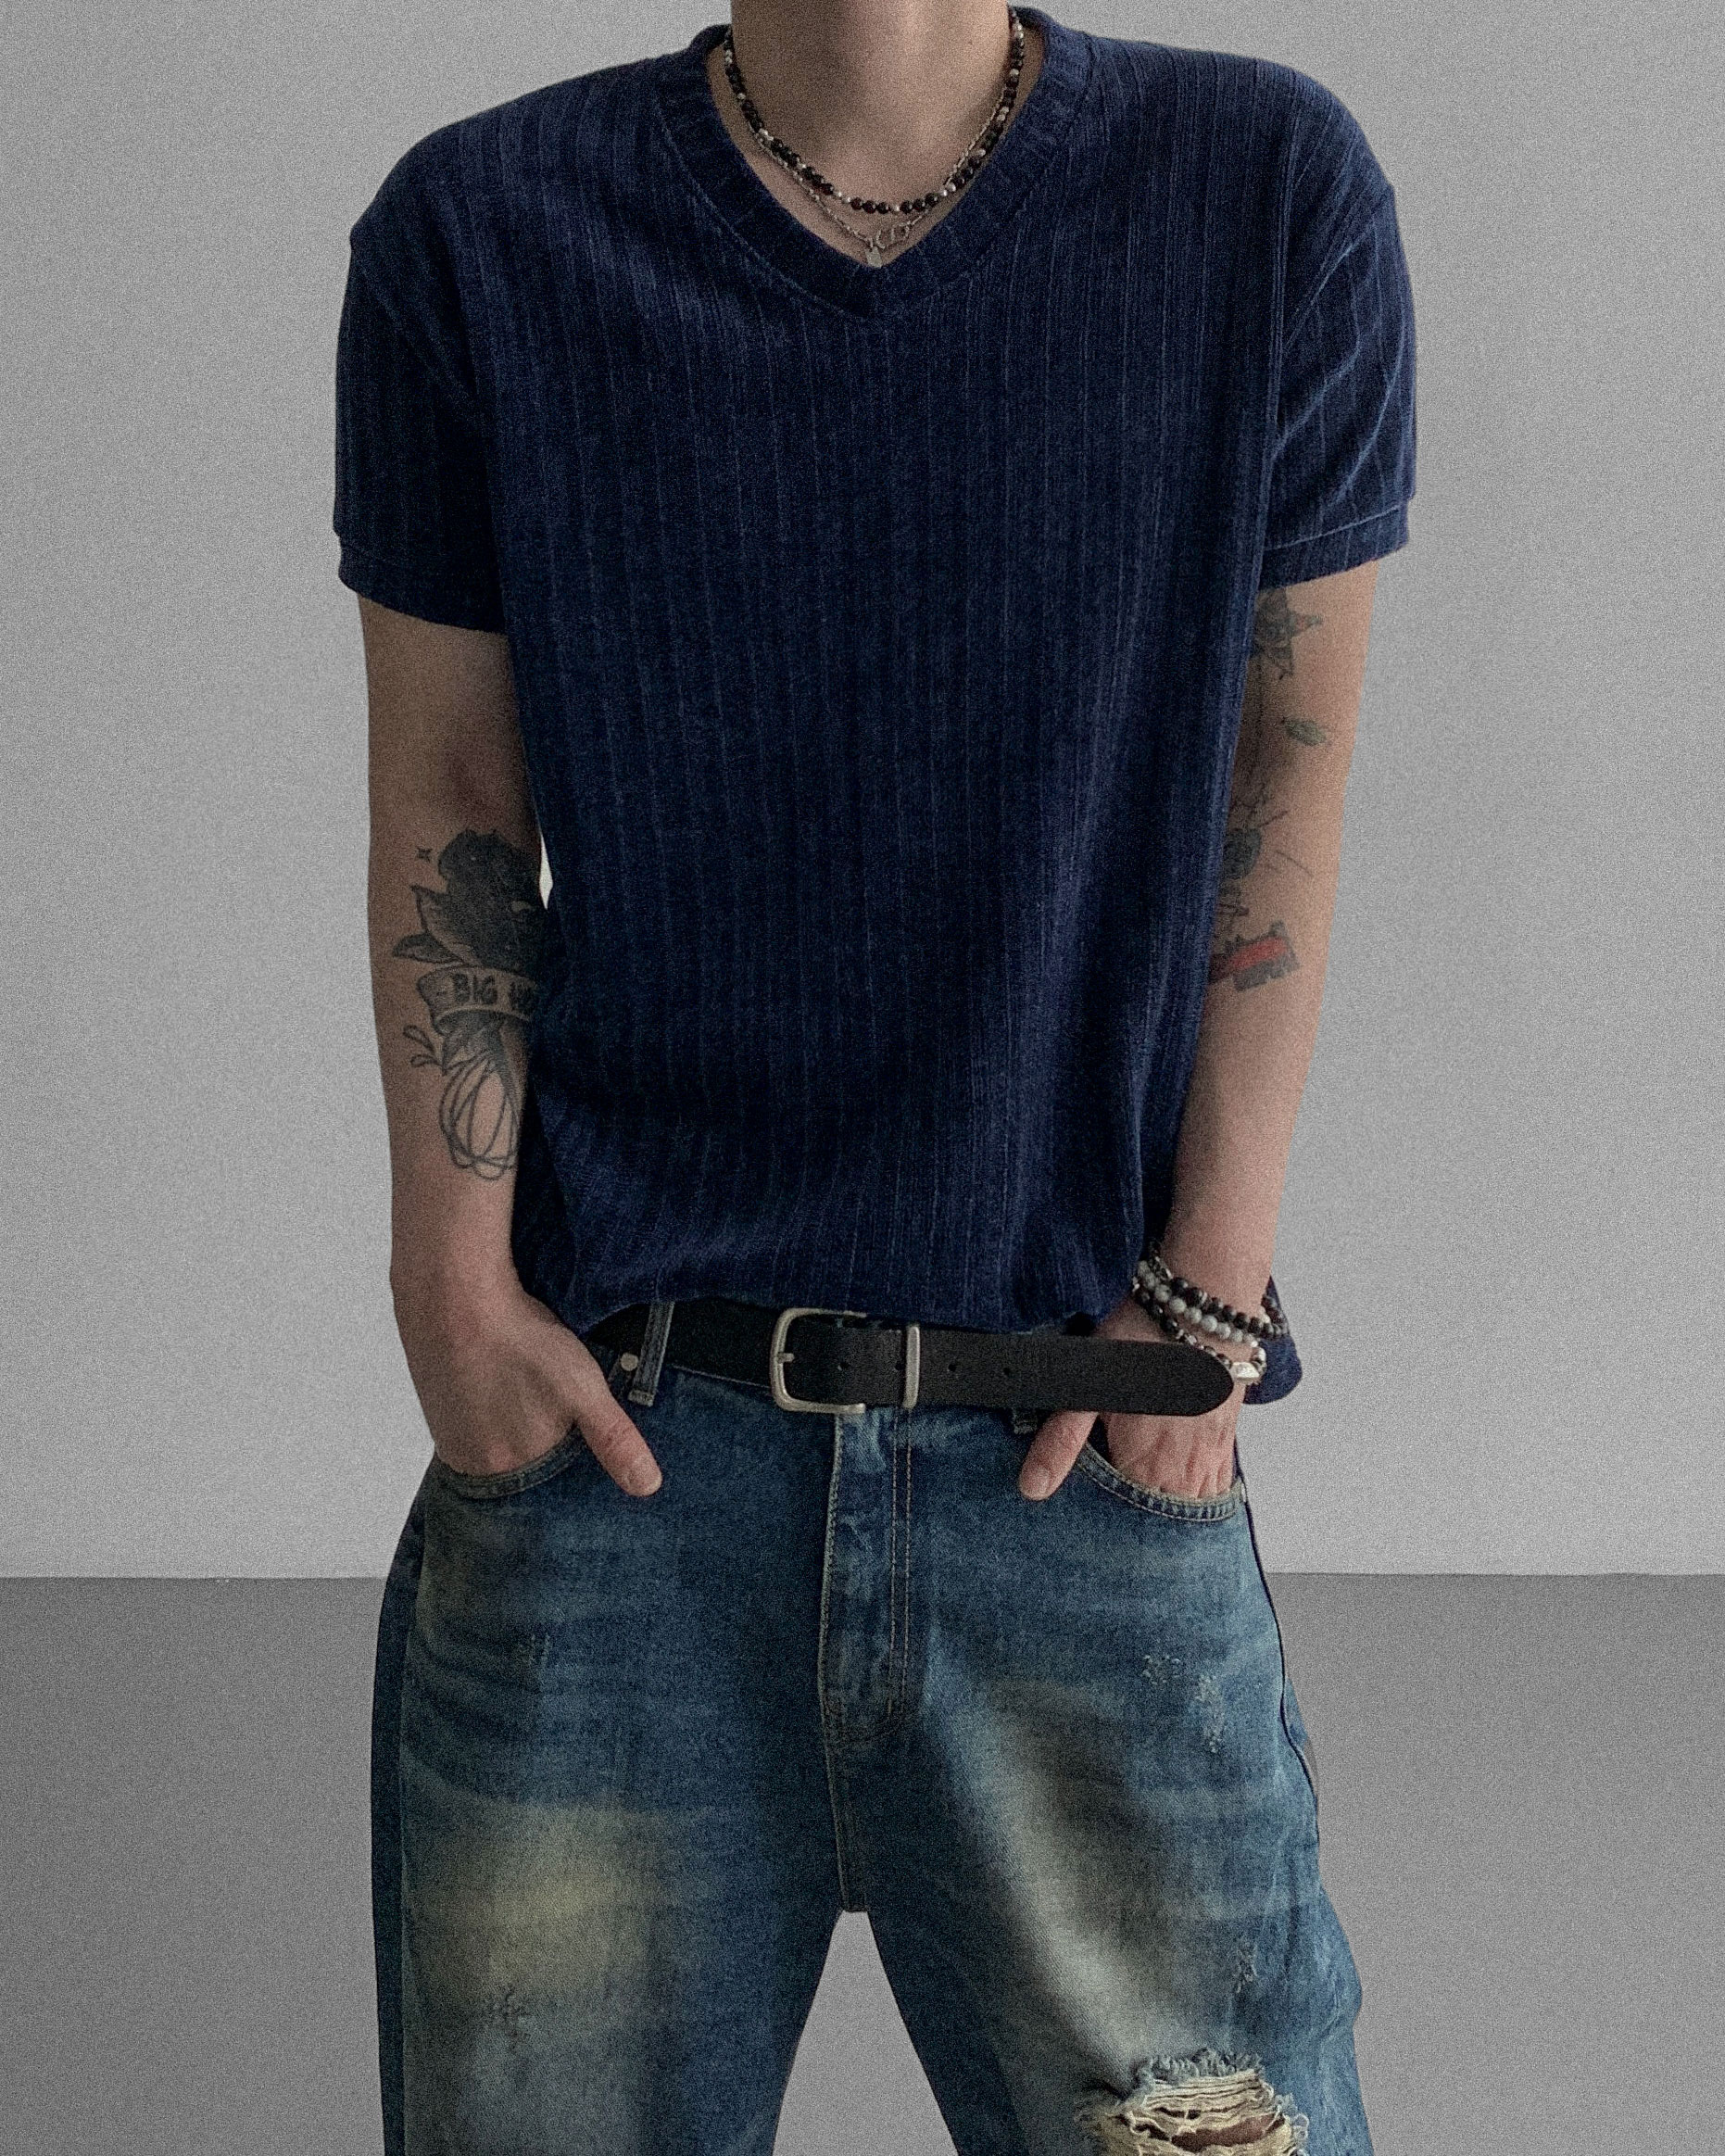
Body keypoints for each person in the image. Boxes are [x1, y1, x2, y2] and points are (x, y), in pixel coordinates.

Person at [334, 1, 1416, 2149]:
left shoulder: (1261, 192)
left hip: (1081, 1458)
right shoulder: (485, 231)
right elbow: (453, 790)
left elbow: (1278, 778)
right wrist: (447, 1285)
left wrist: (1207, 1291)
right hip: (621, 1470)